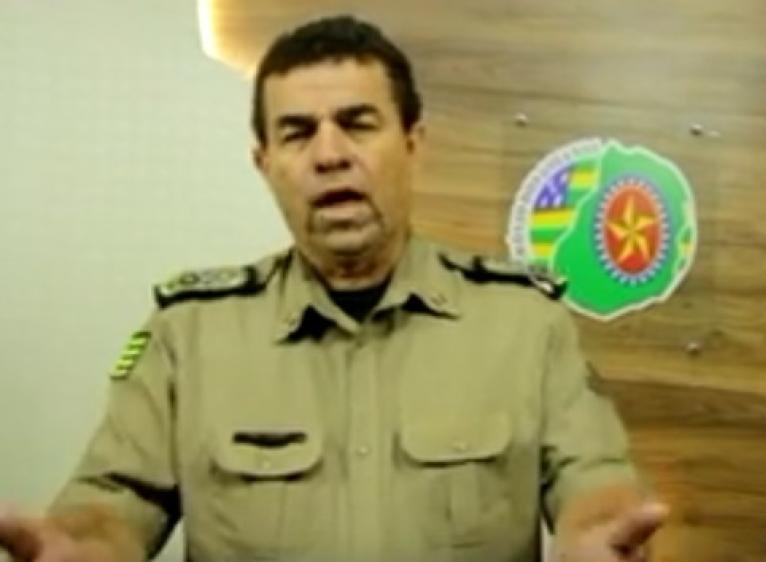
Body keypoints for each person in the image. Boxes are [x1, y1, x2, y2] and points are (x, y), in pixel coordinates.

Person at [0, 15, 667, 562]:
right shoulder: (189, 334)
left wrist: (597, 532)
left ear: (413, 143)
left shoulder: (523, 322)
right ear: (265, 163)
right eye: (297, 133)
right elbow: (114, 503)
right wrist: (80, 547)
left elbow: (594, 479)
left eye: (358, 123)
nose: (329, 154)